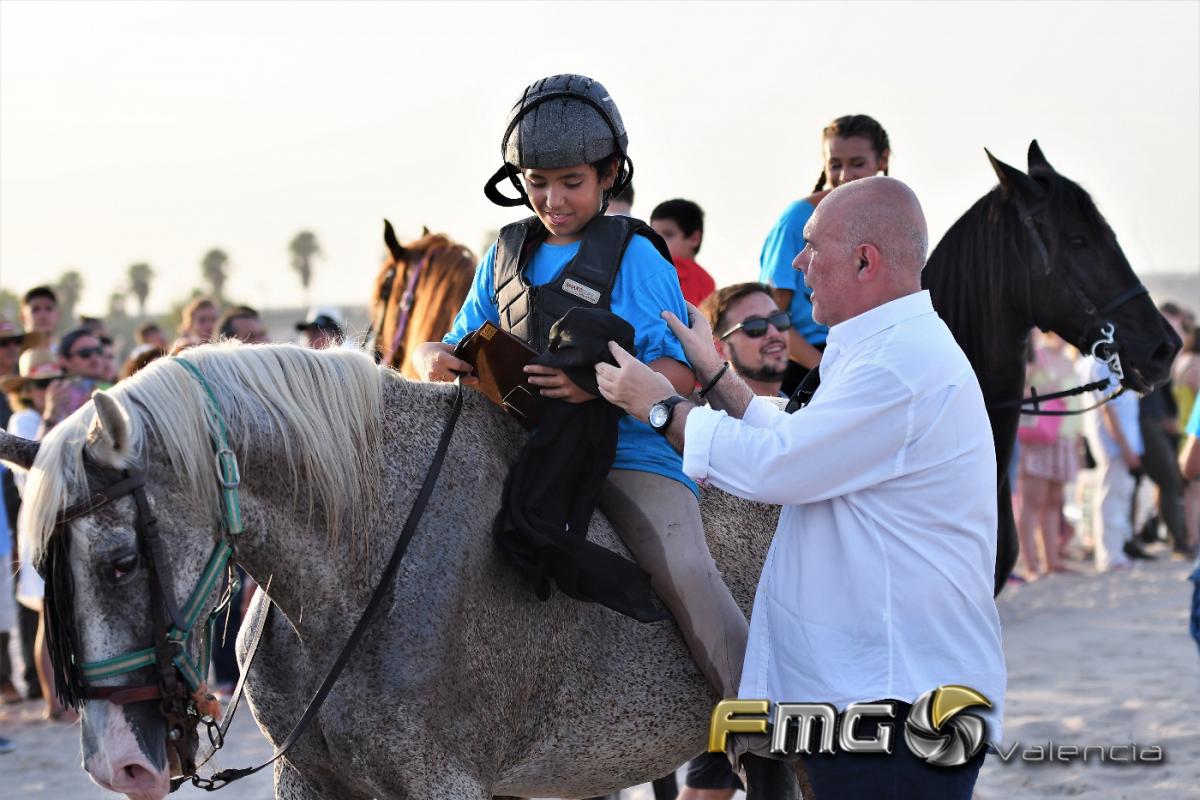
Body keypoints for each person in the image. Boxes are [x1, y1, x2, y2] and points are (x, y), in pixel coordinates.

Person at [597, 177, 1005, 798]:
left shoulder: (898, 364)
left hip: (896, 704)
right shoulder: (885, 347)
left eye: (813, 245)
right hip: (876, 695)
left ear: (865, 260)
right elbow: (801, 439)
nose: (796, 261)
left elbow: (778, 468)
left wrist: (659, 408)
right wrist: (714, 372)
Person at [413, 72, 750, 711]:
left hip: (629, 452)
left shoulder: (639, 256)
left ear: (609, 174)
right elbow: (454, 343)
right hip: (518, 445)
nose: (553, 199)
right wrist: (430, 357)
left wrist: (594, 386)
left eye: (571, 181)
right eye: (537, 182)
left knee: (685, 570)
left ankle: (761, 723)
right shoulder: (502, 256)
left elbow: (681, 374)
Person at [759, 114, 891, 394]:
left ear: (882, 159)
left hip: (867, 360)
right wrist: (826, 371)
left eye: (857, 163)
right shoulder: (796, 220)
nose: (845, 175)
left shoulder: (891, 222)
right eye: (835, 165)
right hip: (805, 369)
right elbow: (771, 317)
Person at [2, 348, 76, 720]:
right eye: (43, 383)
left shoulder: (56, 415)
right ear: (28, 389)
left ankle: (60, 699)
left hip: (58, 523)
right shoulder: (24, 419)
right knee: (49, 616)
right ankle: (53, 702)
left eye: (56, 380)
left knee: (59, 616)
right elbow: (34, 464)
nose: (52, 388)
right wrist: (50, 414)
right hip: (39, 525)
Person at [1016, 332, 1081, 579]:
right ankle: (1031, 563)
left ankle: (1051, 560)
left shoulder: (1068, 359)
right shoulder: (1037, 355)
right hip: (1039, 439)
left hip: (1063, 438)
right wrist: (1046, 390)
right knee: (1032, 501)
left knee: (1054, 501)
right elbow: (1016, 390)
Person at [1080, 356, 1143, 572]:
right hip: (1115, 445)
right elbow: (1108, 409)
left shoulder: (1107, 360)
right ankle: (1111, 556)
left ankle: (1115, 552)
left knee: (1117, 496)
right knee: (1111, 499)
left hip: (1121, 443)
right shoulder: (1100, 363)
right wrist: (1125, 447)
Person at [699, 283, 789, 399]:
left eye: (779, 320)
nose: (774, 333)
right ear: (719, 349)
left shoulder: (802, 406)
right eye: (755, 326)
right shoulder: (719, 411)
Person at [650, 199, 716, 307]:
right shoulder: (708, 281)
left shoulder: (666, 268)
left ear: (694, 238)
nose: (657, 241)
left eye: (668, 235)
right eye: (653, 235)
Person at [20, 286, 60, 351]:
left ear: (58, 315)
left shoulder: (66, 354)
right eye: (35, 309)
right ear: (23, 317)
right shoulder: (11, 354)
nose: (43, 315)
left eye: (48, 308)